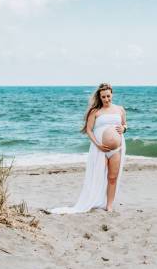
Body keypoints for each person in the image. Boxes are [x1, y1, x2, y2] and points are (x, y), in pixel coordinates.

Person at [50, 83, 127, 213]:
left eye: (108, 96)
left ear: (112, 94)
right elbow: (89, 130)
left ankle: (109, 205)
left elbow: (125, 124)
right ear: (99, 97)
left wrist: (124, 128)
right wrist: (98, 145)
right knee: (96, 177)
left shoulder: (120, 109)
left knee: (112, 178)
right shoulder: (95, 111)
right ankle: (92, 201)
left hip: (116, 150)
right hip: (100, 149)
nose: (106, 99)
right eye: (103, 97)